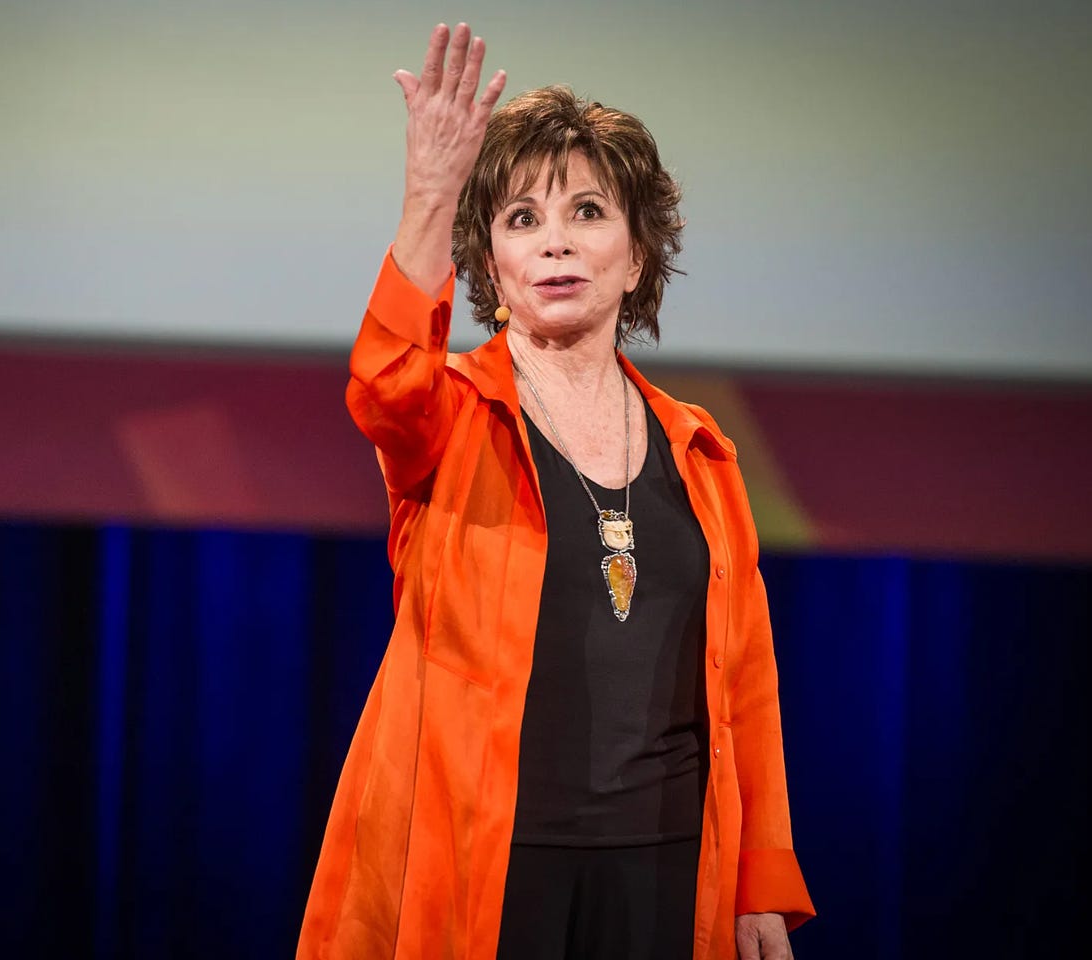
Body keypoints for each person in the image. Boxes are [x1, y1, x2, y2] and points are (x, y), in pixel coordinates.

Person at [298, 22, 814, 960]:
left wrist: (759, 889)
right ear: (489, 266)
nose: (556, 243)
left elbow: (747, 689)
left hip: (663, 873)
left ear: (638, 254)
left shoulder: (701, 452)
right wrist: (430, 195)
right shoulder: (452, 415)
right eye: (522, 219)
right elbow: (381, 386)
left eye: (587, 212)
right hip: (484, 874)